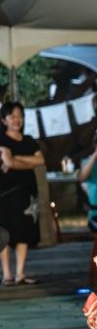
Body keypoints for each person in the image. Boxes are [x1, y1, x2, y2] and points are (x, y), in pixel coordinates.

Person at [0, 102, 44, 285]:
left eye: (19, 116)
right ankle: (7, 274)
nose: (16, 120)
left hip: (27, 192)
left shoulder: (29, 140)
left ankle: (20, 273)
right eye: (12, 116)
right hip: (5, 193)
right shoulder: (1, 139)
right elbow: (8, 164)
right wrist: (28, 162)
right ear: (4, 120)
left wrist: (15, 158)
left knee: (24, 230)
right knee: (5, 231)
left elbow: (40, 160)